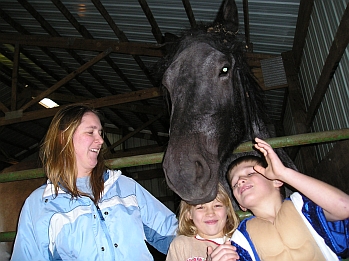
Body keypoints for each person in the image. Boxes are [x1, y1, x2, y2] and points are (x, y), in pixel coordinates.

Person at [11, 104, 178, 261]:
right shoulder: (39, 204)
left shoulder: (125, 187)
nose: (100, 140)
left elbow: (171, 233)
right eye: (90, 132)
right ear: (64, 138)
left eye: (100, 133)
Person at [226, 137, 349, 261]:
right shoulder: (240, 239)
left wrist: (284, 173)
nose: (240, 181)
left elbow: (344, 207)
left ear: (276, 181)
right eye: (235, 184)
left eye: (250, 173)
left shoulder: (301, 205)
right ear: (241, 205)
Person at [166, 183, 240, 261]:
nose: (210, 213)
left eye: (217, 206)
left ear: (227, 211)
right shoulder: (180, 245)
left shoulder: (241, 241)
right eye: (201, 207)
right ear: (188, 214)